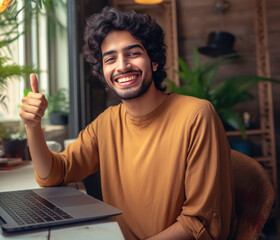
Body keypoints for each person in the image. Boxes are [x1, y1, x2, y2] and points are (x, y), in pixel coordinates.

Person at [19, 6, 236, 240]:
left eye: (133, 53)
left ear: (154, 61)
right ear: (103, 71)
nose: (122, 66)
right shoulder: (107, 123)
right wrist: (33, 126)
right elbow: (53, 174)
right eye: (110, 59)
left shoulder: (196, 115)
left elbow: (199, 222)